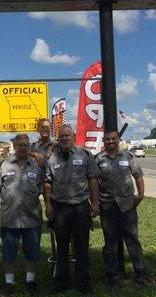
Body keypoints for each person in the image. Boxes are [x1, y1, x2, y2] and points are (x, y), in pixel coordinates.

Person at [43, 124, 100, 296]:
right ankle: (62, 282)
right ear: (58, 138)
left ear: (73, 136)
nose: (64, 138)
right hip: (59, 208)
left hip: (80, 207)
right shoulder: (52, 159)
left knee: (82, 245)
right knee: (62, 247)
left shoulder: (84, 155)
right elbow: (47, 183)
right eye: (61, 136)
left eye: (67, 135)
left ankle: (84, 282)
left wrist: (95, 202)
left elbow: (93, 179)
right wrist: (47, 204)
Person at [0, 134, 44, 296]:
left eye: (25, 145)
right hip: (10, 219)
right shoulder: (4, 166)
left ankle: (30, 280)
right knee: (9, 254)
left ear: (29, 147)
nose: (22, 148)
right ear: (15, 146)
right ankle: (9, 283)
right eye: (19, 145)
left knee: (32, 253)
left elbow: (41, 187)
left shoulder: (36, 165)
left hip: (31, 218)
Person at [95, 130, 152, 289]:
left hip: (127, 206)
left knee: (133, 241)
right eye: (107, 139)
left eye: (113, 139)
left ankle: (141, 273)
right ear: (104, 141)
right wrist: (94, 202)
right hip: (107, 207)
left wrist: (140, 195)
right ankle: (113, 276)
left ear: (118, 139)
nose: (111, 142)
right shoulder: (98, 159)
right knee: (110, 243)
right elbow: (93, 182)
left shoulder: (128, 156)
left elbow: (138, 176)